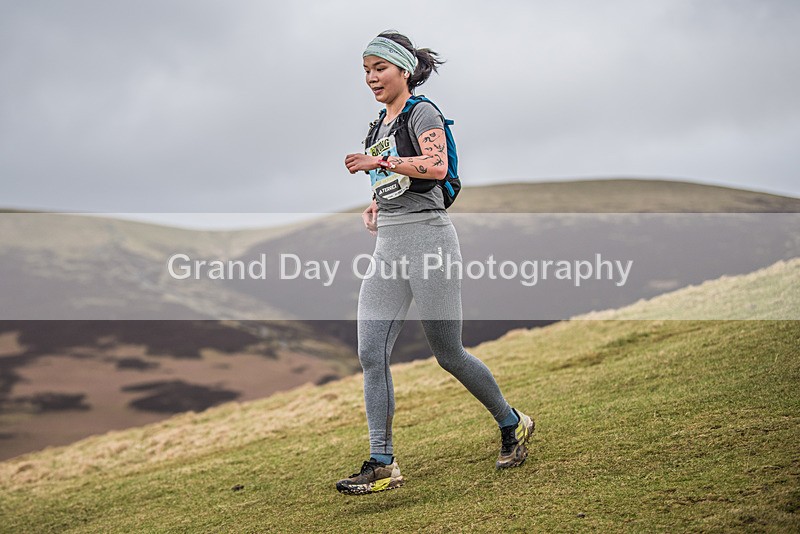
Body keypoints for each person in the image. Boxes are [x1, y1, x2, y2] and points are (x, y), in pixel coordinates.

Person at [338, 30, 534, 496]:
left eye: (379, 68)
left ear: (403, 68)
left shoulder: (421, 110)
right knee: (370, 353)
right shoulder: (377, 125)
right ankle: (382, 460)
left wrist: (378, 163)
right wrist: (375, 202)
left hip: (429, 243)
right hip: (389, 246)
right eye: (366, 70)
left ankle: (512, 423)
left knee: (448, 353)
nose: (371, 78)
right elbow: (393, 182)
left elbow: (437, 166)